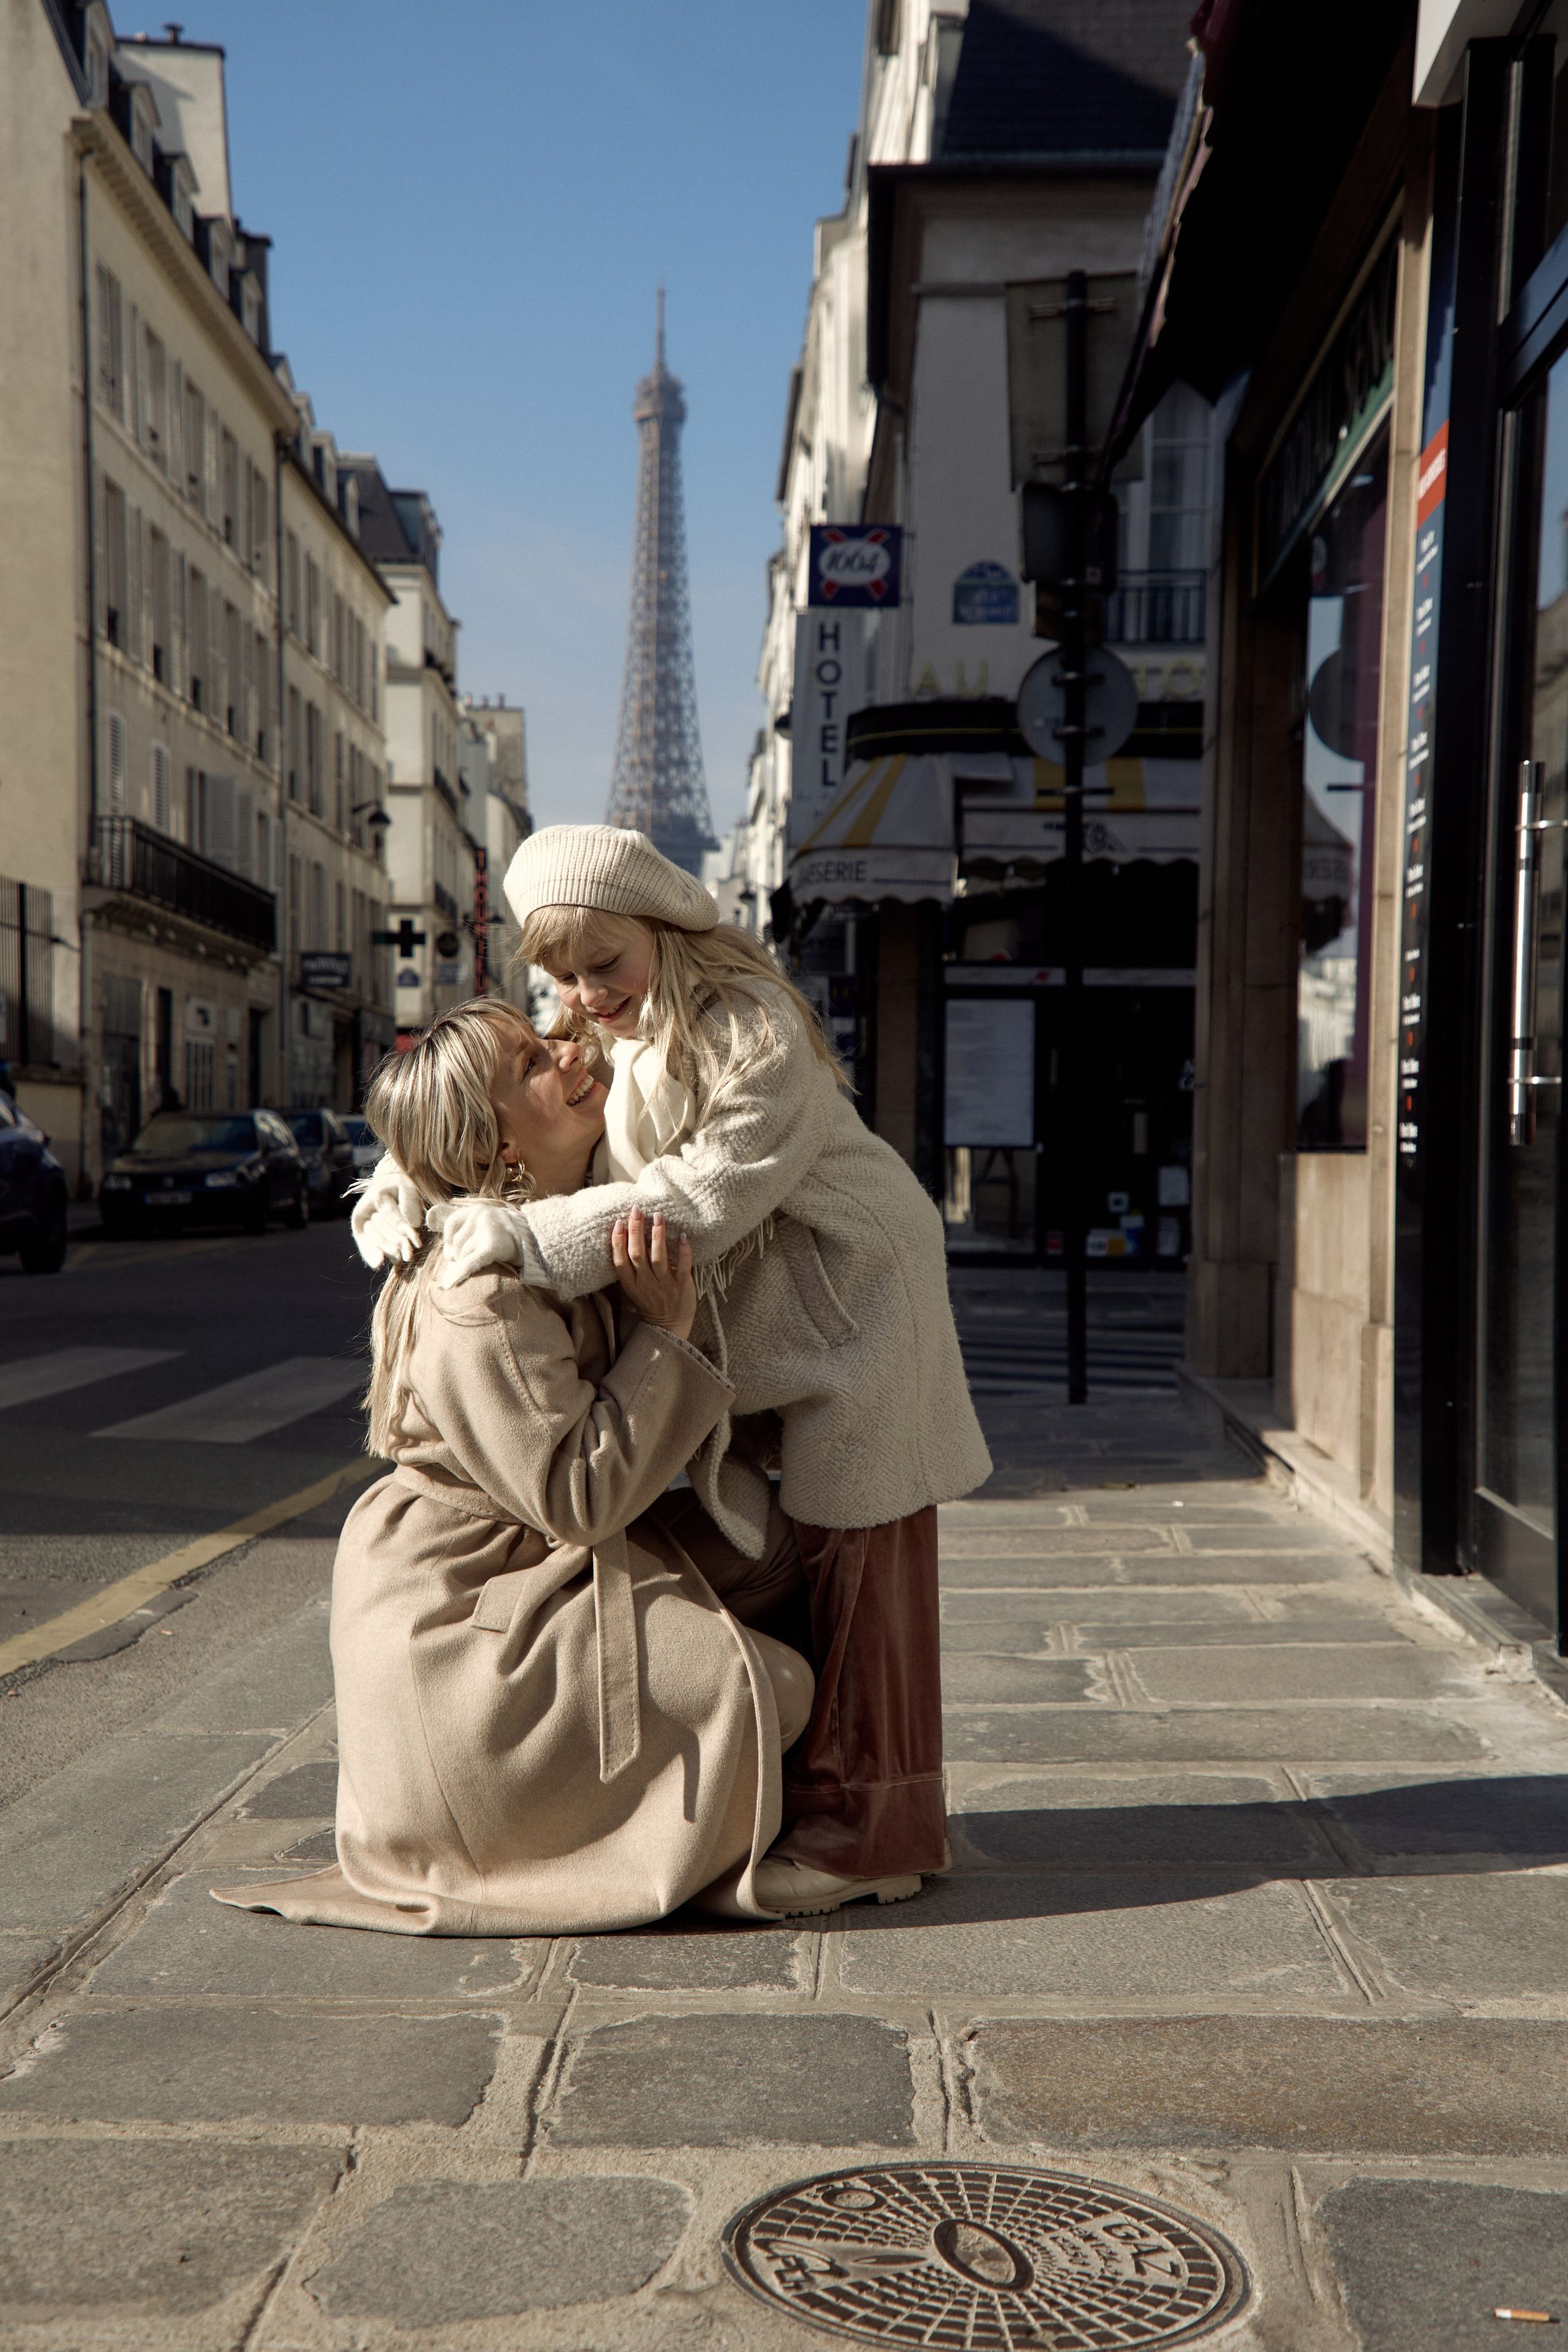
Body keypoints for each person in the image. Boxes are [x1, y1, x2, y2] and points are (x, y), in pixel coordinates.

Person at [353, 824, 992, 1918]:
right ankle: (807, 1790)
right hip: (758, 1331)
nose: (580, 996)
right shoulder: (603, 1020)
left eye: (604, 963)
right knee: (790, 1558)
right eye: (557, 972)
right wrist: (402, 1189)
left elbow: (702, 1201)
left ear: (668, 928)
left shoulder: (751, 1026)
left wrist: (521, 1238)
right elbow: (468, 1112)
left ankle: (872, 1835)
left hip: (855, 1307)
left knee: (863, 1559)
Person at [213, 1000, 815, 1937]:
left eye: (550, 1041)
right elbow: (582, 1496)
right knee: (776, 1690)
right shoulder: (481, 1298)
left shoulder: (550, 1218)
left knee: (777, 1561)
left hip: (511, 1557)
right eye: (534, 1063)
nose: (570, 1054)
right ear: (499, 1150)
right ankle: (578, 1838)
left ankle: (718, 1804)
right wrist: (664, 1332)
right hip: (467, 1632)